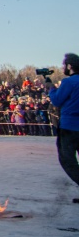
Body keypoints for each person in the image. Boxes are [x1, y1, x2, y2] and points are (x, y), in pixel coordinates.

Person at [47, 53, 79, 189]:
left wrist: (51, 88)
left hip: (70, 126)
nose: (63, 67)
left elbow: (57, 100)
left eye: (64, 65)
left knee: (67, 159)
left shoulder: (69, 82)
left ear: (70, 66)